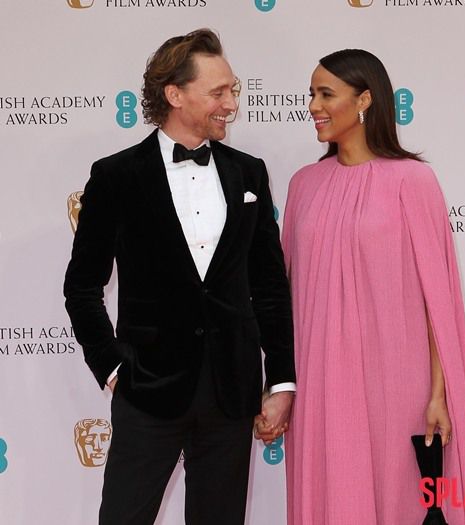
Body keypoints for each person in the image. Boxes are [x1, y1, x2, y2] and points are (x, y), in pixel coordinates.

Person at [64, 28, 295, 525]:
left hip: (231, 393)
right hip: (147, 390)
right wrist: (114, 369)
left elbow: (270, 288)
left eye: (233, 90)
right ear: (174, 94)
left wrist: (281, 380)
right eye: (218, 92)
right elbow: (82, 287)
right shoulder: (116, 176)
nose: (231, 104)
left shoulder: (249, 174)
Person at [281, 49, 465, 524]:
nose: (313, 106)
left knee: (400, 500)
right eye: (311, 93)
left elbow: (437, 302)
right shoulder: (303, 185)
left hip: (397, 385)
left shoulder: (412, 181)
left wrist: (438, 394)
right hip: (320, 384)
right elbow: (285, 298)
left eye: (326, 94)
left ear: (365, 100)